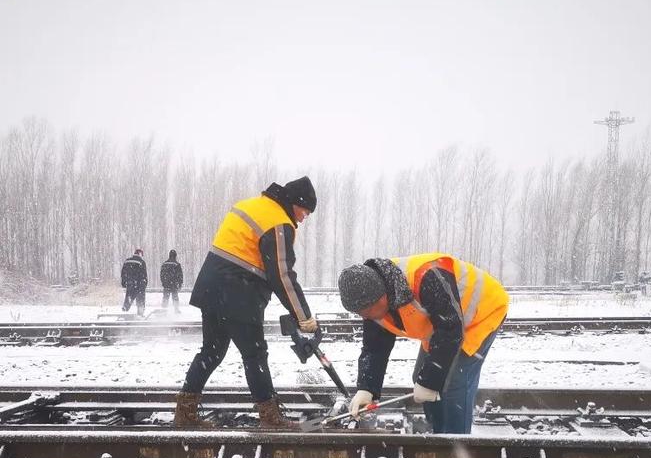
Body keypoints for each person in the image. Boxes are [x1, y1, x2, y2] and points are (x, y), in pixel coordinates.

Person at [174, 176, 318, 428]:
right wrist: (303, 317)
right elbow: (282, 275)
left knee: (212, 351)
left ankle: (185, 412)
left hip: (211, 287)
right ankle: (270, 418)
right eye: (305, 211)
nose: (304, 217)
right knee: (255, 355)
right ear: (296, 202)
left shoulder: (252, 205)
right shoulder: (279, 222)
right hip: (238, 292)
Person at [337, 253, 508, 434]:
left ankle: (455, 445)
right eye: (360, 313)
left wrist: (431, 383)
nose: (365, 316)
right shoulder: (371, 303)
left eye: (368, 310)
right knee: (422, 377)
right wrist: (366, 389)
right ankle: (437, 431)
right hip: (444, 326)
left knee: (453, 383)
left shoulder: (426, 277)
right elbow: (374, 348)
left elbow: (450, 331)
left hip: (480, 314)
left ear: (383, 293)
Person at [121, 248, 148, 317]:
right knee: (140, 298)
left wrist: (124, 281)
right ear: (140, 254)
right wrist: (145, 283)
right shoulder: (141, 262)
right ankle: (140, 313)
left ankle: (125, 308)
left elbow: (123, 272)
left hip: (130, 282)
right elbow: (144, 274)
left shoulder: (127, 261)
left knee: (129, 295)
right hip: (139, 283)